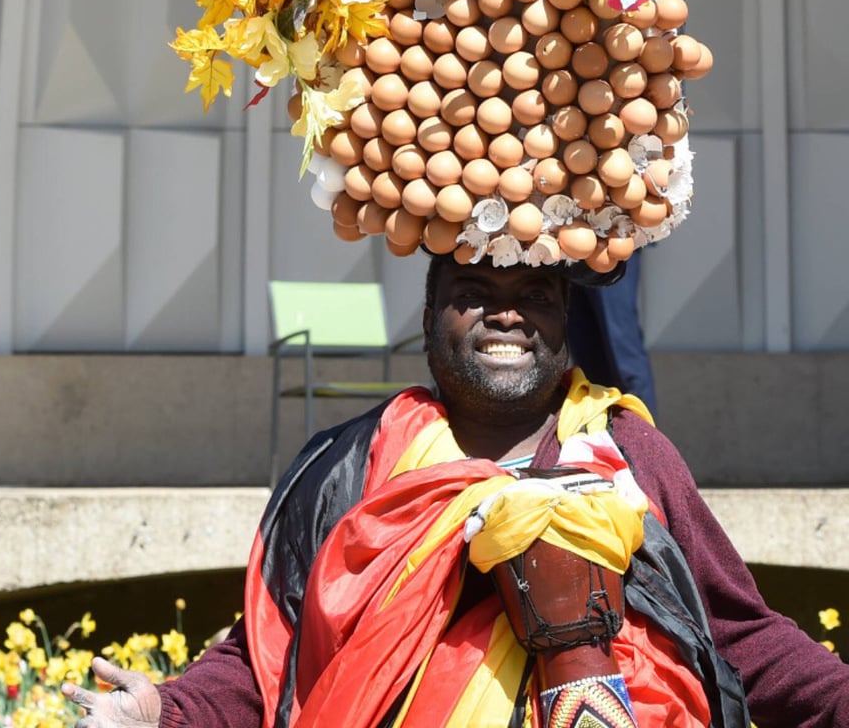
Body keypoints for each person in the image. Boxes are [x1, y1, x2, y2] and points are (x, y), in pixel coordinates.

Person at [63, 253, 849, 728]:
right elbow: (266, 655)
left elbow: (741, 635)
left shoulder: (631, 451)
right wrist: (166, 710)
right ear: (430, 313)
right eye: (474, 289)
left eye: (535, 292)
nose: (507, 313)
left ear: (565, 318)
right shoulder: (353, 464)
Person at [568, 249, 657, 413]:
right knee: (586, 357)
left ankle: (642, 426)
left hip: (610, 246)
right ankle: (599, 423)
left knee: (623, 353)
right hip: (569, 253)